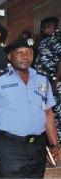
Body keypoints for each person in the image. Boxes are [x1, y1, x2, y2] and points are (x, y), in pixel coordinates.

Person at [0, 38, 59, 178]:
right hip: (10, 147)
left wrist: (54, 145)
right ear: (9, 56)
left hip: (38, 146)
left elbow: (48, 114)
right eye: (20, 52)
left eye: (29, 52)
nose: (25, 56)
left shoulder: (42, 80)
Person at [33, 16, 61, 144]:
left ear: (50, 26)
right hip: (43, 81)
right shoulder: (45, 40)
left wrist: (56, 78)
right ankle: (51, 140)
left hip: (53, 81)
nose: (42, 30)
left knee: (56, 110)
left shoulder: (58, 39)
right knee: (45, 108)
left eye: (44, 27)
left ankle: (58, 142)